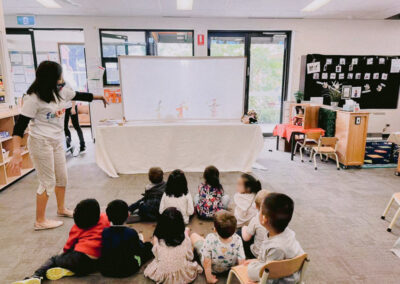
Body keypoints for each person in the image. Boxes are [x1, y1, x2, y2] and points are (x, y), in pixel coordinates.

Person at [9, 61, 107, 230]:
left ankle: (61, 209)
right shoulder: (33, 99)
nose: (62, 78)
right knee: (47, 181)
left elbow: (80, 95)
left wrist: (100, 97)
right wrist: (17, 151)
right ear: (51, 78)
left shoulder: (61, 92)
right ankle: (40, 220)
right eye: (59, 75)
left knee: (62, 178)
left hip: (56, 141)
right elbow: (19, 127)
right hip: (40, 142)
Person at [13, 199, 110, 284]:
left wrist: (62, 256)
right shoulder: (105, 218)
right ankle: (72, 270)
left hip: (80, 258)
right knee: (87, 260)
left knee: (54, 259)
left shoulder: (76, 228)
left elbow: (67, 248)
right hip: (97, 262)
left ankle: (37, 276)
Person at [246, 193, 304, 283]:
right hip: (288, 271)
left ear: (264, 219)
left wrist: (257, 276)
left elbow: (272, 276)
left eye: (260, 210)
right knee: (254, 267)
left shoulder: (276, 248)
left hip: (282, 280)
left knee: (250, 271)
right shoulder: (288, 233)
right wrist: (258, 261)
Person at [144, 207, 203, 284]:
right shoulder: (185, 240)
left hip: (164, 275)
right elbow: (190, 257)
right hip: (182, 275)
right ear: (180, 224)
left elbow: (157, 257)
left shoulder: (157, 239)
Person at [99, 200, 153, 278]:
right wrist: (141, 241)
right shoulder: (131, 232)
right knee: (148, 247)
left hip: (106, 269)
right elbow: (137, 250)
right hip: (127, 270)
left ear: (109, 217)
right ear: (127, 216)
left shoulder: (105, 232)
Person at [191, 210, 245, 284]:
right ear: (234, 229)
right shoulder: (238, 239)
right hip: (228, 268)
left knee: (194, 236)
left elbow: (206, 262)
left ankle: (202, 242)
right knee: (205, 242)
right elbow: (242, 261)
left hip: (213, 269)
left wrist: (209, 278)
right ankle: (203, 242)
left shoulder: (210, 238)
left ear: (215, 229)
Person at [238, 189, 270, 258]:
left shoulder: (256, 219)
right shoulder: (278, 220)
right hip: (271, 255)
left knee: (239, 232)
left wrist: (243, 228)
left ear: (256, 206)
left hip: (256, 255)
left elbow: (246, 238)